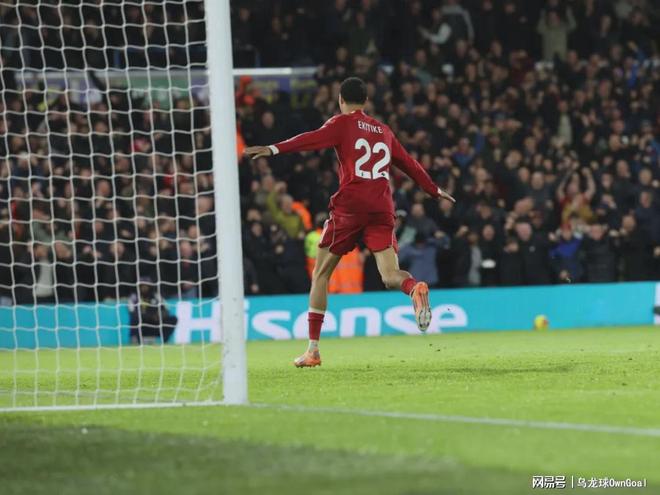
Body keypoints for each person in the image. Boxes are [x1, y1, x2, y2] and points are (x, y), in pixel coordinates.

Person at [245, 77, 455, 367]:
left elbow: (310, 139)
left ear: (341, 100)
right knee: (389, 275)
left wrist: (274, 148)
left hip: (351, 207)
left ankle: (313, 350)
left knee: (320, 274)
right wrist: (433, 190)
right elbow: (409, 163)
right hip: (381, 207)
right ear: (366, 101)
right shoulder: (384, 130)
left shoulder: (341, 123)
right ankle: (413, 288)